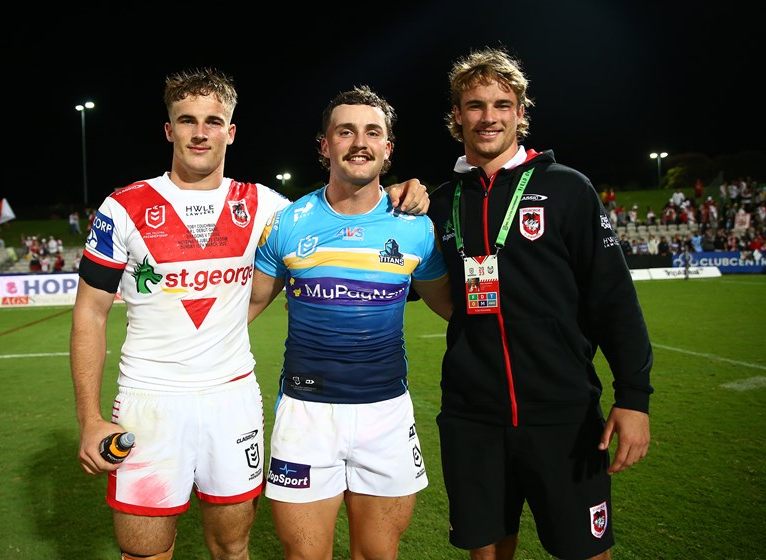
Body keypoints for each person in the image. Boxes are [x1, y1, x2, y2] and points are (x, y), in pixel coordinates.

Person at [69, 68, 430, 560]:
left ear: (230, 131)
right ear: (169, 129)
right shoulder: (125, 206)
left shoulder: (266, 208)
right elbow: (90, 312)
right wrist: (89, 419)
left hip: (232, 401)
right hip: (149, 399)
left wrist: (403, 190)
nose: (201, 132)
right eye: (188, 120)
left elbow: (337, 210)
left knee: (233, 547)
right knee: (143, 551)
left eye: (213, 120)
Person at [426, 47, 654, 560]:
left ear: (521, 113)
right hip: (473, 416)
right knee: (486, 552)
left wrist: (633, 397)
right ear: (456, 116)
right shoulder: (441, 203)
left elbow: (613, 299)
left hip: (563, 412)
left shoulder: (568, 189)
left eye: (502, 105)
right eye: (476, 105)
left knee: (585, 552)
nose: (489, 117)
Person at [248, 85, 452, 559]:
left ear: (387, 148)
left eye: (371, 132)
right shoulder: (288, 222)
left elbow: (454, 311)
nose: (359, 142)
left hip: (385, 413)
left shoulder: (416, 226)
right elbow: (245, 308)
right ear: (324, 145)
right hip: (305, 414)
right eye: (345, 131)